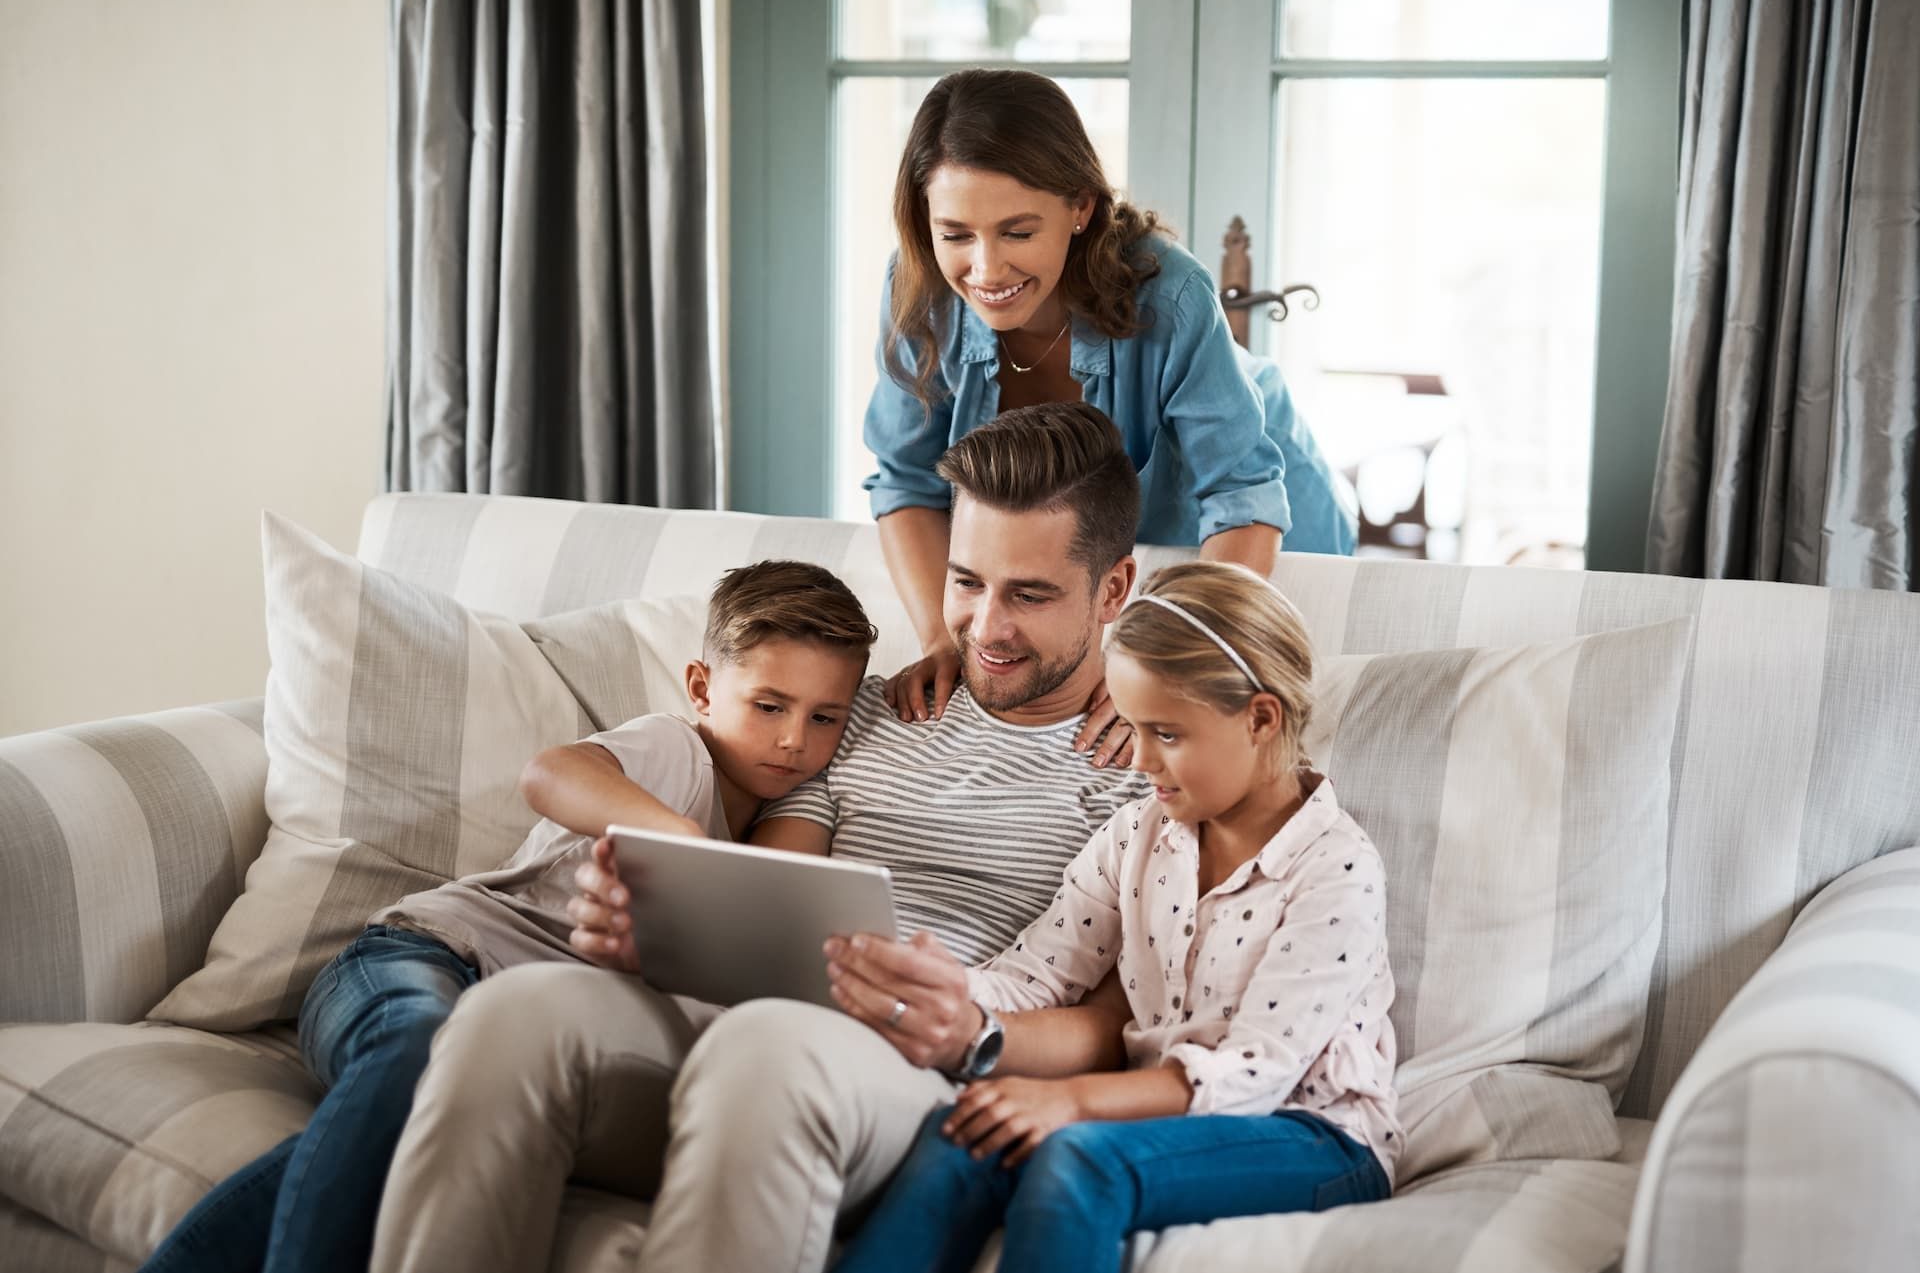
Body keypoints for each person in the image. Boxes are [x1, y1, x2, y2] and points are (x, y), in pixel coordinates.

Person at [365, 401, 1155, 1273]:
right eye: (967, 582)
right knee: (512, 1014)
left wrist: (975, 1027)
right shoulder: (864, 713)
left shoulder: (1148, 770)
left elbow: (1119, 1023)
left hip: (916, 1067)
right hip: (753, 1014)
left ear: (1112, 590)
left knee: (766, 1050)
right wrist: (668, 928)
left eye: (1030, 594)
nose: (987, 627)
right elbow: (764, 886)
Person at [138, 561, 877, 1273]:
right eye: (770, 705)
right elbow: (551, 772)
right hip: (416, 958)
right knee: (421, 1054)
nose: (793, 739)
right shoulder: (675, 752)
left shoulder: (788, 833)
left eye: (824, 718)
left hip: (516, 1037)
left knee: (449, 1093)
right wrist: (675, 838)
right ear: (703, 688)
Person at [830, 561, 1399, 1273]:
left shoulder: (1335, 868)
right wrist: (944, 991)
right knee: (967, 1131)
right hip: (1164, 1117)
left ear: (1260, 717)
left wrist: (1072, 1101)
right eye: (1133, 728)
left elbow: (1256, 1071)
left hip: (1312, 1132)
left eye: (1166, 732)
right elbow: (1040, 972)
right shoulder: (1137, 837)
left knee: (1078, 1158)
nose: (1142, 760)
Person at [868, 68, 1357, 748]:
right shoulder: (917, 284)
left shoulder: (1173, 292)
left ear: (1081, 207)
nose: (986, 269)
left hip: (1257, 491)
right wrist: (938, 636)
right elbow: (903, 481)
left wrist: (1157, 669)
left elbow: (1243, 497)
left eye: (1016, 231)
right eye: (956, 234)